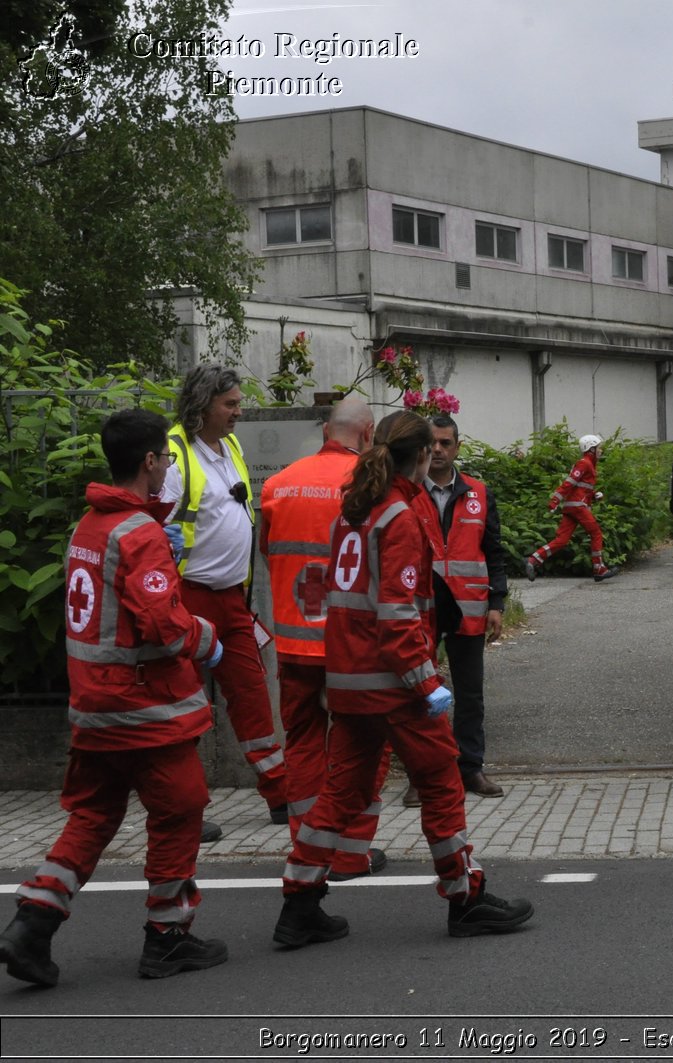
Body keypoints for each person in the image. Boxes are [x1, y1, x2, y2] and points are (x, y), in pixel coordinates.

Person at [273, 411, 533, 947]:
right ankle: (465, 898)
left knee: (341, 792)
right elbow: (397, 619)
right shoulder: (399, 518)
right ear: (418, 457)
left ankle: (299, 901)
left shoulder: (354, 512)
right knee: (441, 782)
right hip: (392, 683)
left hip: (348, 677)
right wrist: (426, 684)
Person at [0, 410, 228, 986]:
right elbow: (164, 628)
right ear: (149, 461)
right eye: (167, 459)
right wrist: (207, 638)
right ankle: (168, 937)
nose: (169, 467)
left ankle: (31, 925)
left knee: (94, 815)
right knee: (181, 810)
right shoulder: (138, 533)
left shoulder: (90, 526)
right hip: (145, 710)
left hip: (96, 709)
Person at [258, 396, 389, 881]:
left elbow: (268, 553)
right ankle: (351, 854)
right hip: (351, 648)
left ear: (324, 433)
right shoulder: (372, 486)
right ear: (368, 434)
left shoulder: (278, 484)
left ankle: (306, 850)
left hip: (294, 645)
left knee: (304, 745)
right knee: (364, 746)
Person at [162, 365, 288, 838]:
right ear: (202, 406)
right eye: (230, 404)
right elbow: (154, 524)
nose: (239, 411)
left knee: (252, 693)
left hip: (231, 597)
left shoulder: (228, 445)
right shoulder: (175, 454)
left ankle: (280, 793)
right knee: (186, 703)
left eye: (237, 403)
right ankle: (183, 807)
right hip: (188, 597)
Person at [404, 413, 508, 805]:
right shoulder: (409, 494)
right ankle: (422, 774)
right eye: (431, 443)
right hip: (422, 610)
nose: (437, 450)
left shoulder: (480, 493)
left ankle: (471, 768)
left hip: (469, 608)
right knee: (421, 692)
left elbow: (494, 553)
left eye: (446, 443)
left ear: (457, 447)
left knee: (470, 693)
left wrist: (497, 602)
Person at [524, 433, 617, 583]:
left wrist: (593, 495)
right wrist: (555, 500)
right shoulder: (584, 463)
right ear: (591, 449)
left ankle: (534, 559)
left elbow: (581, 488)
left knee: (562, 540)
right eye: (599, 448)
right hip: (578, 506)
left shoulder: (589, 466)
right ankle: (598, 568)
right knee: (596, 533)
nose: (601, 450)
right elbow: (569, 483)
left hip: (573, 506)